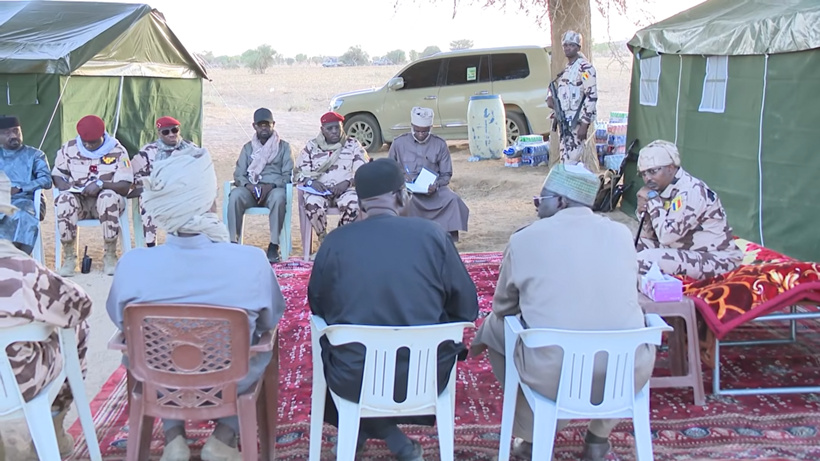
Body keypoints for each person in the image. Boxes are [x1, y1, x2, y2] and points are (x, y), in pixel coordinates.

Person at [106, 147, 286, 461]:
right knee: (263, 345)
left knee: (155, 350)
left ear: (163, 207)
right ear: (209, 202)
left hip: (159, 382)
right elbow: (271, 319)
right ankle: (225, 433)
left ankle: (174, 437)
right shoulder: (251, 261)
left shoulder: (132, 265)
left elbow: (120, 323)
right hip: (231, 380)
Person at [471, 163, 657, 461]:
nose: (535, 207)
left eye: (539, 200)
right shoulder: (623, 234)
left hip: (555, 373)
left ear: (559, 201)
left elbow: (503, 308)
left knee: (493, 328)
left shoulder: (524, 240)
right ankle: (598, 438)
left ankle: (532, 436)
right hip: (626, 370)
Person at [308, 158, 478, 461]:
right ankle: (392, 437)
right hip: (425, 373)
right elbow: (467, 307)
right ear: (402, 196)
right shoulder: (434, 236)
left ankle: (364, 430)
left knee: (328, 347)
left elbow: (319, 306)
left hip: (354, 377)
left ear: (360, 206)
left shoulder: (334, 243)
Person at [0, 172, 92, 459]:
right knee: (77, 330)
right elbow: (79, 306)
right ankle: (53, 418)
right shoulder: (19, 268)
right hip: (14, 382)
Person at [635, 140, 743, 280]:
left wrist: (653, 200)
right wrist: (644, 212)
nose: (648, 178)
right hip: (683, 249)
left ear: (671, 167)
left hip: (716, 258)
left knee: (643, 260)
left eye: (653, 171)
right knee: (625, 247)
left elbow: (666, 236)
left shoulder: (691, 191)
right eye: (643, 174)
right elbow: (648, 236)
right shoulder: (663, 188)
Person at [52, 115, 132, 276]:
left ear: (102, 136)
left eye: (93, 142)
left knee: (107, 197)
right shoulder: (69, 148)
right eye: (85, 141)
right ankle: (69, 258)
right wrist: (63, 185)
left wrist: (101, 185)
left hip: (107, 205)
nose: (88, 145)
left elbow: (124, 186)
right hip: (80, 203)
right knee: (64, 200)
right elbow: (57, 174)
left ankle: (110, 256)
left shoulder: (117, 150)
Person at [388, 106, 469, 242]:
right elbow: (389, 169)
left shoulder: (440, 144)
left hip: (433, 189)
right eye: (417, 131)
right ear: (412, 126)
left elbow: (446, 174)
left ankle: (448, 237)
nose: (420, 135)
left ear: (431, 128)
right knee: (406, 200)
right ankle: (412, 236)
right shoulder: (398, 143)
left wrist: (436, 185)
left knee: (452, 199)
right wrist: (401, 179)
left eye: (425, 131)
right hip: (408, 189)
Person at [227, 108, 293, 263]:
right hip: (251, 189)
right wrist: (249, 186)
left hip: (272, 190)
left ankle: (273, 245)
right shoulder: (248, 148)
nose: (264, 128)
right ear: (254, 126)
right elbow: (238, 174)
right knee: (235, 195)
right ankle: (233, 243)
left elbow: (288, 175)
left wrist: (270, 186)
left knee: (279, 196)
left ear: (273, 125)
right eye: (260, 125)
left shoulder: (283, 147)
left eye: (267, 125)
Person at [295, 111, 368, 247]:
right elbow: (299, 172)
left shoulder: (353, 145)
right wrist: (311, 183)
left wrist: (347, 183)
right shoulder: (312, 147)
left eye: (337, 127)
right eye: (330, 128)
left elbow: (363, 171)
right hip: (319, 191)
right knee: (311, 204)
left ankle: (339, 238)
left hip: (346, 190)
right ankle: (324, 239)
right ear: (322, 130)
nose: (334, 131)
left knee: (354, 204)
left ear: (342, 127)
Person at [130, 116, 199, 247]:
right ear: (159, 133)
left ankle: (186, 244)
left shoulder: (191, 149)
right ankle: (151, 246)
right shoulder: (149, 151)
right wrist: (148, 182)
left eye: (175, 130)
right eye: (166, 132)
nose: (172, 134)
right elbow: (131, 174)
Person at [0, 115, 52, 255]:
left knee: (21, 215)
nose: (13, 136)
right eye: (7, 133)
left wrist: (21, 188)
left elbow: (46, 180)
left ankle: (21, 259)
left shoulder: (35, 155)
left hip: (28, 200)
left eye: (16, 131)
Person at [547, 30, 598, 164]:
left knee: (571, 161)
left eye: (572, 45)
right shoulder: (567, 70)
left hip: (577, 122)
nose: (567, 48)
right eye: (565, 45)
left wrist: (584, 124)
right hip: (565, 123)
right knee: (566, 161)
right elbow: (555, 89)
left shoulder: (585, 68)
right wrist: (550, 98)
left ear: (578, 47)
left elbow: (591, 96)